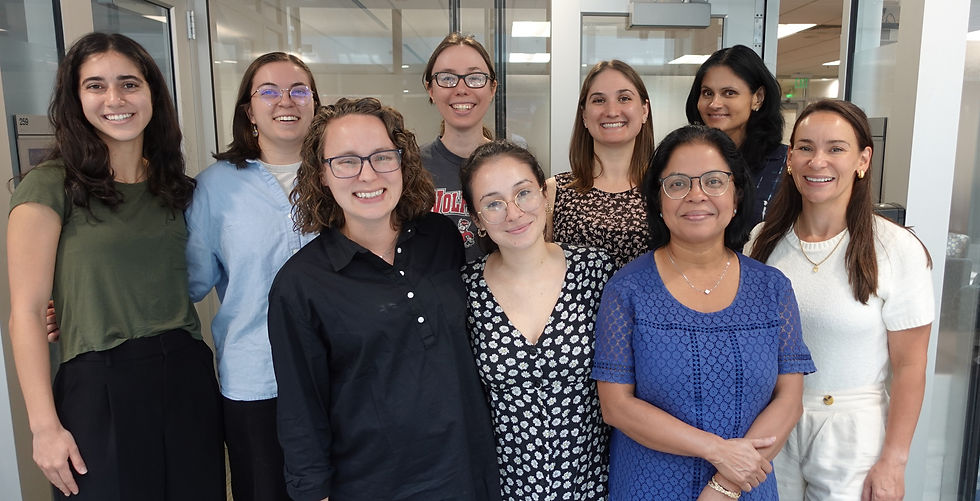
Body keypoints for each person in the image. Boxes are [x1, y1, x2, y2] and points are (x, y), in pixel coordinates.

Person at [7, 33, 224, 500]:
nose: (115, 99)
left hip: (186, 376)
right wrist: (44, 428)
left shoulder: (175, 188)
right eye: (95, 86)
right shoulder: (49, 186)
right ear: (75, 98)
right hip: (98, 384)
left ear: (152, 94)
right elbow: (25, 312)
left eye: (129, 83)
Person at [267, 97, 500, 501]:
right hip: (372, 484)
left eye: (381, 157)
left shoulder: (441, 238)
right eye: (346, 161)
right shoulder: (299, 285)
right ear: (322, 174)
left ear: (402, 161)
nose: (367, 175)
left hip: (467, 473)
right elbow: (301, 411)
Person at [593, 125, 815, 500]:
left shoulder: (772, 288)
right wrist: (716, 451)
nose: (696, 195)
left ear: (737, 194)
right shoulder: (627, 290)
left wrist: (724, 485)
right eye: (677, 183)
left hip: (746, 486)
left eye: (714, 181)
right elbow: (616, 407)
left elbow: (789, 399)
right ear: (658, 200)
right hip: (649, 486)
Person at [747, 99, 934, 501]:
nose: (818, 161)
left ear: (863, 159)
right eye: (805, 147)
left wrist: (894, 462)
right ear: (791, 159)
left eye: (836, 148)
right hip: (771, 422)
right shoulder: (762, 241)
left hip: (852, 433)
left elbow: (910, 366)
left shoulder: (896, 249)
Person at [184, 52, 321, 501]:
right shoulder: (215, 187)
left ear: (315, 103)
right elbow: (187, 282)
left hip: (341, 373)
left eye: (299, 90)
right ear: (249, 108)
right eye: (270, 91)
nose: (287, 101)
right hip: (256, 379)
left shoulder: (343, 174)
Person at [459, 140, 616, 500]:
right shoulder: (464, 290)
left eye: (523, 193)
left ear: (545, 195)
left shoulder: (596, 271)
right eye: (493, 203)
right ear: (477, 219)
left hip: (594, 486)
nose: (513, 213)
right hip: (504, 489)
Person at [546, 59, 655, 270]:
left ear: (644, 110)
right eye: (598, 100)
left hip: (647, 303)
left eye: (624, 98)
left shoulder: (666, 189)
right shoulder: (553, 191)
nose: (612, 111)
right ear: (584, 115)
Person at [686, 45, 786, 227]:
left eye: (729, 93)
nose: (715, 103)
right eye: (707, 93)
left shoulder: (786, 166)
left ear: (758, 97)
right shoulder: (684, 160)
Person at [422, 32, 498, 261]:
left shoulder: (513, 165)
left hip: (498, 294)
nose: (461, 88)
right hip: (431, 294)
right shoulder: (410, 167)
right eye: (447, 78)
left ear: (492, 88)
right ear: (431, 89)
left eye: (475, 78)